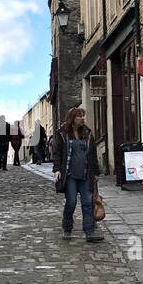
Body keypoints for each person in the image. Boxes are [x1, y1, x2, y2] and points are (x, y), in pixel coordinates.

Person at [52, 104, 103, 242]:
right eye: (79, 116)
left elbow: (92, 154)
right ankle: (67, 228)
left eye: (83, 116)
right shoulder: (62, 134)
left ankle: (89, 231)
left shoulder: (87, 133)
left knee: (87, 202)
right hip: (70, 175)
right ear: (72, 118)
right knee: (72, 201)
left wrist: (96, 173)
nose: (82, 118)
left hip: (85, 174)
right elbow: (57, 153)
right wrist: (57, 169)